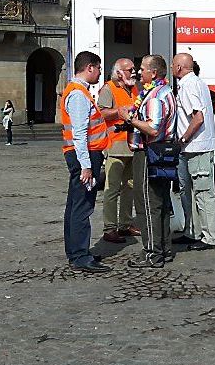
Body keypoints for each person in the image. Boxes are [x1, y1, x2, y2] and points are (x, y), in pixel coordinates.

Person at [119, 54, 177, 269]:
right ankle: (163, 248)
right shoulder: (164, 91)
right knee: (160, 202)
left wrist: (131, 119)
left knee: (147, 203)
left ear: (153, 73)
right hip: (161, 152)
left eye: (142, 69)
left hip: (149, 152)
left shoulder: (154, 97)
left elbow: (153, 128)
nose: (138, 72)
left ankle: (152, 252)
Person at [61, 51, 111, 273]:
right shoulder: (79, 94)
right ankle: (80, 255)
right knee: (83, 206)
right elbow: (80, 133)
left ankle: (76, 252)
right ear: (89, 67)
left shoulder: (76, 91)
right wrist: (87, 166)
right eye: (98, 68)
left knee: (75, 204)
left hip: (82, 153)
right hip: (85, 155)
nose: (100, 72)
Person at [172, 53, 215, 251]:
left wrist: (183, 138)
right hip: (191, 148)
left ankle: (210, 237)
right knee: (188, 192)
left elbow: (198, 117)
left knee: (202, 193)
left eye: (174, 64)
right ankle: (192, 231)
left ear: (179, 67)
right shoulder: (196, 83)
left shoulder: (190, 85)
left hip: (196, 147)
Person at [98, 58, 142, 244]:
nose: (134, 72)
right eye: (129, 69)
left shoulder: (134, 88)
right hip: (115, 146)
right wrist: (119, 112)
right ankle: (110, 228)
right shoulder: (108, 88)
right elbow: (101, 112)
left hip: (132, 145)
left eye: (133, 69)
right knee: (112, 189)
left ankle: (125, 224)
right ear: (118, 73)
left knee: (130, 187)